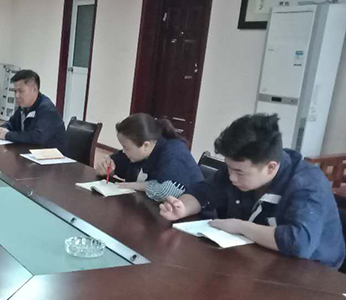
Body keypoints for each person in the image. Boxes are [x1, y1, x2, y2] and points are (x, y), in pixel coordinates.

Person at [159, 113, 345, 268]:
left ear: (271, 167)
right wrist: (182, 207)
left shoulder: (307, 183)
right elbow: (203, 192)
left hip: (312, 274)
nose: (232, 177)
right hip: (258, 259)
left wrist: (240, 227)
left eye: (239, 172)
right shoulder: (238, 169)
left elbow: (298, 242)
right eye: (229, 168)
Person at [93, 113, 204, 202]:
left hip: (189, 217)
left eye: (126, 147)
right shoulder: (136, 153)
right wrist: (105, 167)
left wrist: (136, 186)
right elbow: (113, 163)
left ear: (145, 145)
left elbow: (168, 191)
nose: (123, 151)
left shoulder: (173, 152)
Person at [0, 69, 66, 150]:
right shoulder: (24, 106)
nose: (17, 96)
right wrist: (2, 128)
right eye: (15, 91)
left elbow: (38, 137)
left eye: (21, 91)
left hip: (52, 155)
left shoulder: (47, 110)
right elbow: (12, 123)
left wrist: (7, 135)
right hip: (31, 151)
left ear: (34, 90)